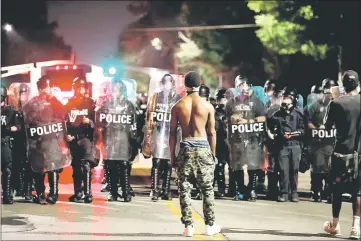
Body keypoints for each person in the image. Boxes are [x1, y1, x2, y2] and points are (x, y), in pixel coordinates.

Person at [170, 71, 220, 237]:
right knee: (207, 189)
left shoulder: (177, 106)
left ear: (185, 85)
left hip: (185, 148)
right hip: (203, 147)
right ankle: (209, 225)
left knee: (184, 189)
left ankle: (188, 227)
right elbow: (212, 133)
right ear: (200, 84)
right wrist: (213, 154)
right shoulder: (207, 106)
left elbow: (171, 134)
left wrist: (172, 155)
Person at [323, 70, 361, 239]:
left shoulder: (337, 103)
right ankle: (356, 227)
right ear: (357, 84)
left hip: (340, 152)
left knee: (336, 190)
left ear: (344, 85)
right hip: (359, 152)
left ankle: (335, 224)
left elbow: (327, 126)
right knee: (358, 191)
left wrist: (334, 98)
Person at [22, 76, 70, 205]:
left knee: (43, 168)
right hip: (47, 140)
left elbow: (25, 122)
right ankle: (50, 195)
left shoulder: (35, 102)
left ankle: (42, 195)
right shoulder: (50, 101)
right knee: (49, 167)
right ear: (45, 87)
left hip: (42, 140)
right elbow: (63, 119)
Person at [94, 79, 137, 202]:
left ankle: (125, 192)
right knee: (111, 166)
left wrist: (133, 142)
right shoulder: (106, 105)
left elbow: (133, 125)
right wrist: (100, 139)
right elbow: (100, 124)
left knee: (124, 166)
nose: (116, 92)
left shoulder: (128, 105)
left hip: (123, 140)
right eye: (114, 89)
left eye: (118, 89)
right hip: (110, 140)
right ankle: (113, 193)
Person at [142, 74, 183, 201]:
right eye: (165, 82)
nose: (167, 85)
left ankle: (166, 189)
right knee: (157, 162)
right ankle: (155, 189)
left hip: (171, 135)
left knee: (168, 163)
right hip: (158, 133)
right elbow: (149, 116)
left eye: (169, 83)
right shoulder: (155, 98)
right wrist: (149, 131)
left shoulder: (177, 99)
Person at [227, 75, 266, 202]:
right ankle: (240, 191)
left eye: (243, 84)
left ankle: (252, 190)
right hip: (237, 138)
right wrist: (232, 119)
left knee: (252, 165)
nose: (241, 87)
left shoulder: (256, 101)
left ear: (249, 86)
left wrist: (248, 121)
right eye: (239, 85)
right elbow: (225, 118)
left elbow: (263, 118)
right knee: (237, 166)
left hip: (252, 138)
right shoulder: (232, 102)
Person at [267, 87, 305, 202]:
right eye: (284, 97)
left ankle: (294, 193)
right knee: (283, 170)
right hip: (282, 146)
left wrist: (293, 134)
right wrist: (273, 135)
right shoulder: (276, 115)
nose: (285, 100)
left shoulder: (298, 114)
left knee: (294, 169)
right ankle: (284, 192)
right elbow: (268, 127)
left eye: (288, 98)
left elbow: (303, 130)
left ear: (293, 100)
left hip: (295, 145)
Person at [66, 77, 96, 203]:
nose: (80, 90)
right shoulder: (69, 103)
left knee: (86, 165)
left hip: (86, 138)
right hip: (73, 139)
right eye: (78, 87)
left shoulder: (91, 103)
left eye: (82, 87)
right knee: (76, 167)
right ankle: (78, 192)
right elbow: (65, 122)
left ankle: (88, 193)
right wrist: (66, 134)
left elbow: (97, 121)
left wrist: (89, 121)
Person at [306, 79, 335, 203]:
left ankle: (329, 193)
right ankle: (316, 191)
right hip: (317, 143)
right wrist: (317, 128)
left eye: (330, 91)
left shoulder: (337, 105)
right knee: (317, 168)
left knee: (331, 170)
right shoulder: (316, 105)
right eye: (326, 91)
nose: (328, 94)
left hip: (332, 143)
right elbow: (307, 121)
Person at [1, 85, 22, 204]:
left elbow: (18, 127)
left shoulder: (10, 110)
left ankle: (7, 195)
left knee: (7, 170)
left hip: (4, 142)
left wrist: (8, 129)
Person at [213, 88, 229, 198]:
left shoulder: (232, 111)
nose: (223, 101)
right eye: (221, 99)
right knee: (219, 166)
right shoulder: (214, 113)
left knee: (233, 168)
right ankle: (221, 189)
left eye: (225, 99)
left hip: (231, 142)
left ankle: (233, 189)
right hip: (219, 142)